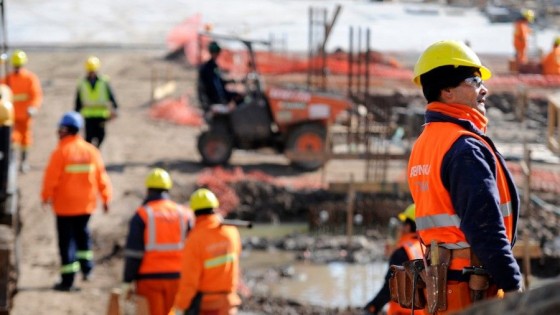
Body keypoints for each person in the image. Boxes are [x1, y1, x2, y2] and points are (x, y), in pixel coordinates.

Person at [408, 40, 522, 313]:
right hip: (472, 288)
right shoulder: (463, 148)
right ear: (446, 90)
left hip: (443, 286)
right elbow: (486, 230)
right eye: (474, 80)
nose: (484, 89)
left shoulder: (426, 142)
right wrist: (515, 287)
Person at [41, 111, 112, 291]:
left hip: (65, 207)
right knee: (83, 236)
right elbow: (101, 177)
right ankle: (87, 270)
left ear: (66, 130)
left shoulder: (60, 152)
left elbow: (51, 179)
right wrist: (106, 198)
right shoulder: (91, 151)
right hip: (85, 206)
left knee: (66, 243)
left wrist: (45, 196)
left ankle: (68, 280)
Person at [122, 168, 193, 315]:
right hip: (178, 278)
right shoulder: (184, 213)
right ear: (168, 190)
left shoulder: (143, 214)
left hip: (149, 279)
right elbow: (194, 247)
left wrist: (128, 280)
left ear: (148, 190)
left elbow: (134, 253)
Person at [174, 188, 242, 315]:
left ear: (194, 212)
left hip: (207, 306)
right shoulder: (231, 231)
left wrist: (181, 305)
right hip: (229, 303)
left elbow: (189, 281)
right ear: (215, 208)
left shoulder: (195, 239)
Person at [365, 204, 423, 315]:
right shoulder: (424, 248)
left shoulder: (402, 252)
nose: (400, 228)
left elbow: (389, 288)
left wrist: (372, 307)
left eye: (403, 224)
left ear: (408, 226)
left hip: (402, 312)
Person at [1, 49, 43, 173]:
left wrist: (33, 107)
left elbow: (36, 95)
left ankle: (24, 161)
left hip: (25, 115)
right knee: (11, 138)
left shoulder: (30, 78)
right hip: (10, 115)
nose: (17, 68)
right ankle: (11, 160)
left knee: (26, 139)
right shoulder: (6, 79)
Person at [75, 55, 119, 148]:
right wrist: (76, 113)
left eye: (93, 70)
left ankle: (96, 150)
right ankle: (91, 154)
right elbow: (78, 99)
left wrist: (115, 108)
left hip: (101, 114)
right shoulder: (82, 82)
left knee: (101, 136)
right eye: (90, 70)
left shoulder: (104, 81)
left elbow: (111, 95)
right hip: (88, 114)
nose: (91, 73)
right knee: (88, 137)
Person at [197, 41, 242, 111]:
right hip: (215, 99)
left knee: (239, 97)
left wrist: (233, 81)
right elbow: (205, 86)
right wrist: (207, 105)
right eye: (215, 52)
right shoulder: (206, 68)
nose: (216, 54)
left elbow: (219, 81)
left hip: (220, 96)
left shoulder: (214, 66)